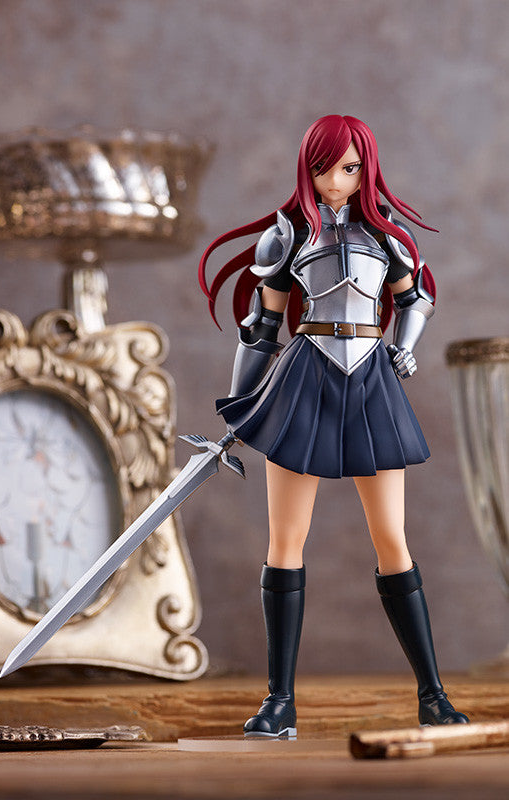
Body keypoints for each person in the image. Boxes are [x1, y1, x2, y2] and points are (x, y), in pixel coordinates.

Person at [199, 115, 469, 737]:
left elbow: (415, 299)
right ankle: (279, 703)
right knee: (285, 540)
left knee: (392, 539)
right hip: (306, 375)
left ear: (366, 168)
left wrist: (406, 345)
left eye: (348, 168)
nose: (335, 180)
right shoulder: (287, 234)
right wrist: (241, 402)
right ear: (307, 167)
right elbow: (261, 326)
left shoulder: (387, 233)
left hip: (371, 376)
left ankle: (433, 696)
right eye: (323, 168)